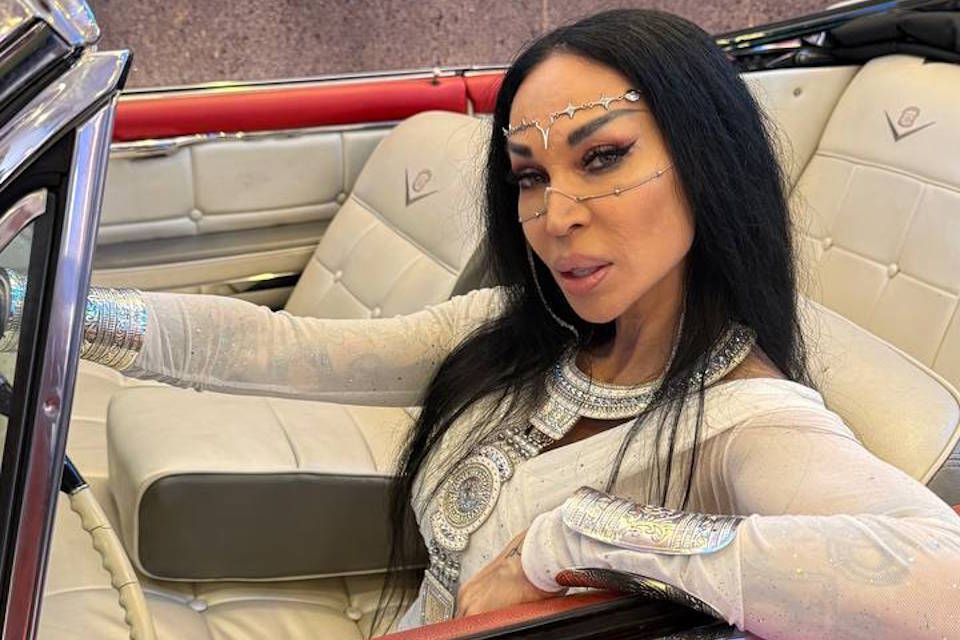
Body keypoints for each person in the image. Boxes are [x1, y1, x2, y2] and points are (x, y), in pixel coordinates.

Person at [3, 8, 958, 639]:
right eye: (531, 177)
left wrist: (576, 537)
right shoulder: (525, 331)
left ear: (708, 164)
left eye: (603, 158)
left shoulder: (751, 423)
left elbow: (940, 577)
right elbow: (283, 348)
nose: (555, 216)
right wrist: (40, 305)